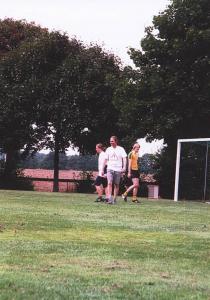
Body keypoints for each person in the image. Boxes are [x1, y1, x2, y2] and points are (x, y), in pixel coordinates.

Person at [102, 136, 127, 204]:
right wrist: (102, 169)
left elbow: (124, 158)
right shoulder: (108, 149)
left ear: (116, 141)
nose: (111, 142)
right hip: (109, 168)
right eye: (110, 141)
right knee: (109, 183)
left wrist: (124, 167)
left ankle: (114, 199)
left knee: (116, 184)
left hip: (118, 169)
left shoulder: (121, 149)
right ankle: (109, 198)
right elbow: (105, 159)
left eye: (112, 141)